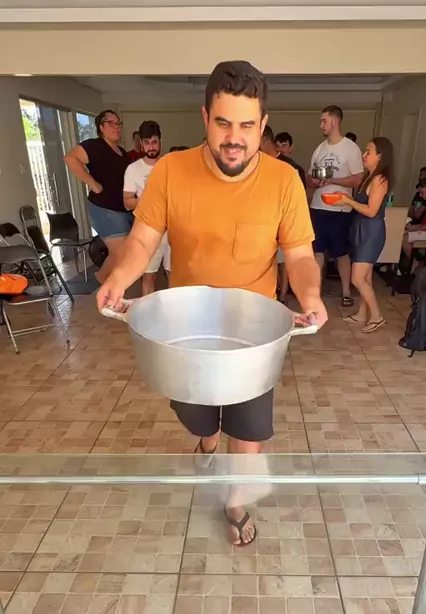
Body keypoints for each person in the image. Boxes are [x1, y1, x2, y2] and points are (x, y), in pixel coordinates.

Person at [97, 59, 327, 547]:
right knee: (199, 416)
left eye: (246, 125)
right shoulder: (171, 171)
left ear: (262, 125)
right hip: (188, 331)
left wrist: (310, 296)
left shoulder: (284, 181)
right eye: (223, 123)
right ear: (205, 118)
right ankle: (206, 436)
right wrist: (118, 278)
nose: (234, 138)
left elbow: (301, 256)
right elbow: (142, 240)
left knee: (251, 429)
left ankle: (236, 500)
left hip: (254, 334)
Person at [332, 138, 394, 333]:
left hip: (371, 232)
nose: (364, 155)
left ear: (380, 156)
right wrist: (347, 199)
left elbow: (371, 211)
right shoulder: (370, 177)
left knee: (357, 279)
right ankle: (362, 314)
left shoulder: (379, 180)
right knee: (365, 278)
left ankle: (377, 316)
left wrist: (348, 201)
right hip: (363, 230)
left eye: (368, 151)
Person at [64, 109, 132, 282]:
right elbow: (70, 158)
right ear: (101, 127)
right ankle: (110, 285)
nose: (116, 127)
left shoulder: (121, 152)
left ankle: (102, 277)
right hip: (104, 209)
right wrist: (93, 184)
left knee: (121, 254)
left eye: (118, 123)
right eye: (111, 123)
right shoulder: (94, 146)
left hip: (122, 208)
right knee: (122, 254)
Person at [309, 105, 364, 307]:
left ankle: (346, 292)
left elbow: (358, 179)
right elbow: (310, 176)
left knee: (341, 253)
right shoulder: (320, 149)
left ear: (335, 121)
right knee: (317, 251)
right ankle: (315, 293)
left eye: (324, 121)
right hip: (318, 206)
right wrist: (315, 182)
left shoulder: (350, 148)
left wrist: (333, 181)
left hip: (340, 208)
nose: (321, 125)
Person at [261, 124, 306, 302]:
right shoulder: (258, 164)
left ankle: (282, 295)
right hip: (262, 222)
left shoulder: (289, 168)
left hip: (282, 222)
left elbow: (297, 202)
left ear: (264, 141)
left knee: (282, 261)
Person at [123, 120, 165, 295]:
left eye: (154, 142)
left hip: (173, 230)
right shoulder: (133, 169)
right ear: (141, 143)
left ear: (160, 141)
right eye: (147, 143)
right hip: (148, 230)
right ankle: (149, 311)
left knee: (177, 276)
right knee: (149, 277)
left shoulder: (169, 165)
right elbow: (127, 202)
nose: (151, 147)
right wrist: (147, 199)